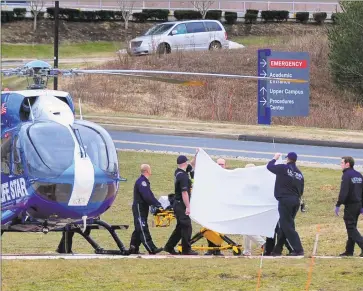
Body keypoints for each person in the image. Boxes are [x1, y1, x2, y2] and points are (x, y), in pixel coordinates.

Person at [267, 152, 304, 256]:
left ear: (287, 159)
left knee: (287, 226)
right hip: (296, 201)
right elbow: (301, 190)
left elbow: (269, 167)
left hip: (285, 200)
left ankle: (298, 249)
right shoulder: (299, 173)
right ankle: (277, 250)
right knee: (284, 225)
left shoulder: (283, 168)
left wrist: (275, 158)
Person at [164, 154, 198, 255]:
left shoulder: (179, 171)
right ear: (184, 163)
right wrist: (187, 206)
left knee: (180, 227)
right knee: (187, 226)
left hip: (177, 204)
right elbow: (184, 192)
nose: (188, 163)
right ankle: (186, 250)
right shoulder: (183, 176)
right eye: (186, 162)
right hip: (181, 204)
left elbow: (191, 164)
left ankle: (169, 246)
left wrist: (197, 155)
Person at [129, 164, 164, 255]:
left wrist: (157, 204)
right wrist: (157, 205)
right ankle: (151, 248)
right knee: (142, 227)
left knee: (138, 228)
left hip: (142, 208)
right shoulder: (142, 182)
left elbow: (150, 195)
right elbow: (147, 196)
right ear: (148, 171)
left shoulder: (144, 181)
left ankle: (133, 247)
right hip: (139, 208)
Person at [335, 156, 363, 257]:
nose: (340, 164)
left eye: (342, 162)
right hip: (358, 204)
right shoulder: (359, 175)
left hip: (351, 205)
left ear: (347, 164)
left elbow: (344, 192)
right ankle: (349, 250)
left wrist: (338, 204)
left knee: (351, 228)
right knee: (353, 227)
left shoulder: (346, 175)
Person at [242, 163, 266, 256]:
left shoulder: (250, 182)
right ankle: (247, 251)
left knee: (245, 229)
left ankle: (263, 243)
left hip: (250, 208)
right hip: (252, 207)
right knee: (247, 229)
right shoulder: (257, 181)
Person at [204, 158, 227, 256]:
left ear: (225, 165)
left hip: (223, 206)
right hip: (211, 206)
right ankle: (210, 248)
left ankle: (217, 249)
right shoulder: (211, 176)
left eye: (222, 164)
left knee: (220, 229)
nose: (220, 166)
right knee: (209, 228)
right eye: (218, 164)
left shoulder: (227, 176)